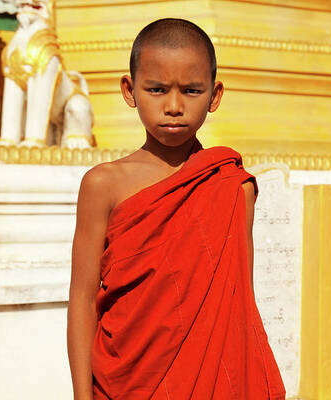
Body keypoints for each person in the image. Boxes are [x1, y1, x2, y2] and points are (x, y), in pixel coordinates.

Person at [66, 18, 286, 400]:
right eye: (156, 89)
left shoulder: (233, 186)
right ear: (129, 90)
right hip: (124, 382)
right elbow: (82, 300)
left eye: (191, 90)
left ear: (214, 96)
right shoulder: (103, 185)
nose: (173, 106)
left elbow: (238, 308)